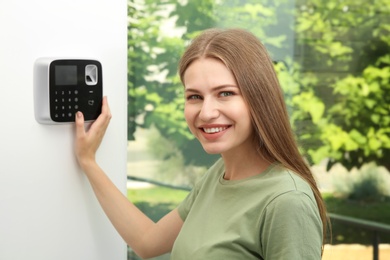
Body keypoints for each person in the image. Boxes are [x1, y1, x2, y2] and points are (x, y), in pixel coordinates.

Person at [75, 28, 329, 259]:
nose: (206, 113)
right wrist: (88, 161)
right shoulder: (218, 175)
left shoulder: (287, 200)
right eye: (195, 96)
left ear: (259, 98)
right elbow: (147, 242)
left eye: (225, 93)